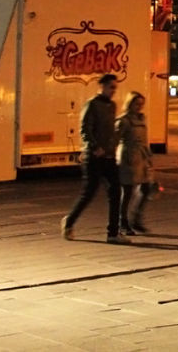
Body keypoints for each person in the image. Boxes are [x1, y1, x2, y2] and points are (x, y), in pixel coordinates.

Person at [62, 74, 127, 244]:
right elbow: (84, 129)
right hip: (94, 157)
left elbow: (110, 131)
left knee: (115, 192)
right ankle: (69, 222)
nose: (113, 91)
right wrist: (94, 146)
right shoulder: (92, 105)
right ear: (102, 87)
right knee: (89, 193)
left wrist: (115, 143)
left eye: (115, 87)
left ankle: (113, 233)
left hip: (110, 156)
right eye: (111, 87)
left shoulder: (112, 106)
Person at [116, 91, 154, 235]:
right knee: (127, 192)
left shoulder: (141, 118)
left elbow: (144, 139)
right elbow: (115, 139)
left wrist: (149, 157)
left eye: (141, 104)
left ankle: (136, 218)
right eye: (136, 103)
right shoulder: (123, 120)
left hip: (142, 157)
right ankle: (123, 222)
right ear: (130, 103)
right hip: (128, 158)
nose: (139, 107)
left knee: (145, 188)